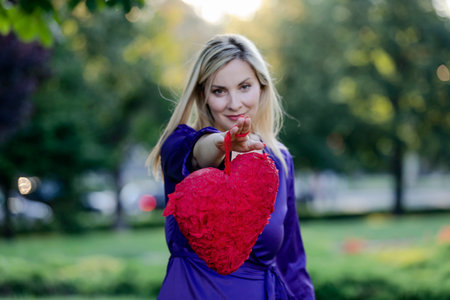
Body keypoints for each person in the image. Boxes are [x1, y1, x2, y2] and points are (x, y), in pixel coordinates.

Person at [146, 34, 315, 300]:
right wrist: (225, 142)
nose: (234, 103)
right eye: (219, 91)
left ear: (262, 87)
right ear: (204, 95)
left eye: (244, 86)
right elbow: (199, 153)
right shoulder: (179, 145)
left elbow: (291, 261)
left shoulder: (279, 160)